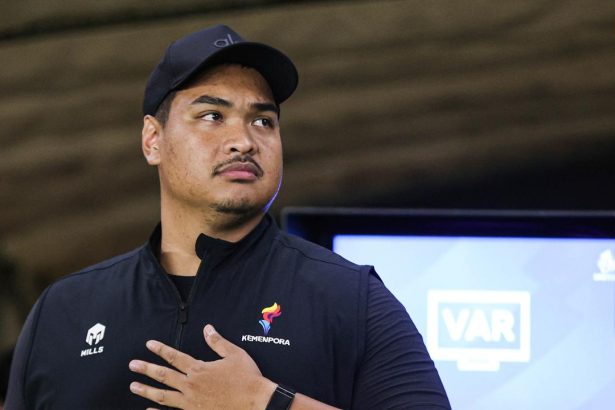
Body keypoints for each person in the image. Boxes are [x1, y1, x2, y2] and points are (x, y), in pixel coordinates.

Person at [6, 25, 450, 409]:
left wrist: (265, 402)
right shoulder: (64, 309)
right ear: (152, 140)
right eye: (212, 115)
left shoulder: (352, 299)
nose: (243, 140)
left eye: (263, 121)